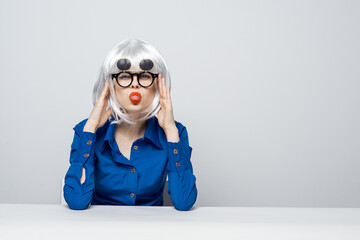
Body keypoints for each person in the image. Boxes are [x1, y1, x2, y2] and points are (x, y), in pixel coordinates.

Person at [63, 39, 197, 211]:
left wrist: (170, 131)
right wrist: (90, 128)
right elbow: (76, 201)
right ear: (110, 85)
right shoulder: (86, 131)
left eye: (145, 76)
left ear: (157, 86)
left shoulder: (175, 133)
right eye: (125, 76)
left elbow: (184, 202)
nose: (135, 84)